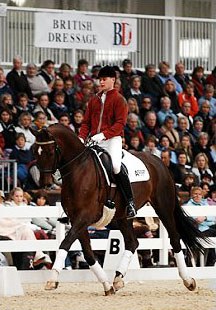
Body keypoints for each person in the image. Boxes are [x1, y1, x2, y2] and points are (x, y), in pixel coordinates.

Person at [79, 65, 136, 218]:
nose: (101, 82)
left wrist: (103, 135)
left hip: (112, 139)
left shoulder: (119, 100)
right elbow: (85, 123)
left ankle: (130, 202)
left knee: (116, 166)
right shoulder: (94, 100)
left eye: (104, 79)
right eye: (100, 79)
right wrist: (81, 137)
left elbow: (119, 124)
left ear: (113, 80)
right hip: (93, 140)